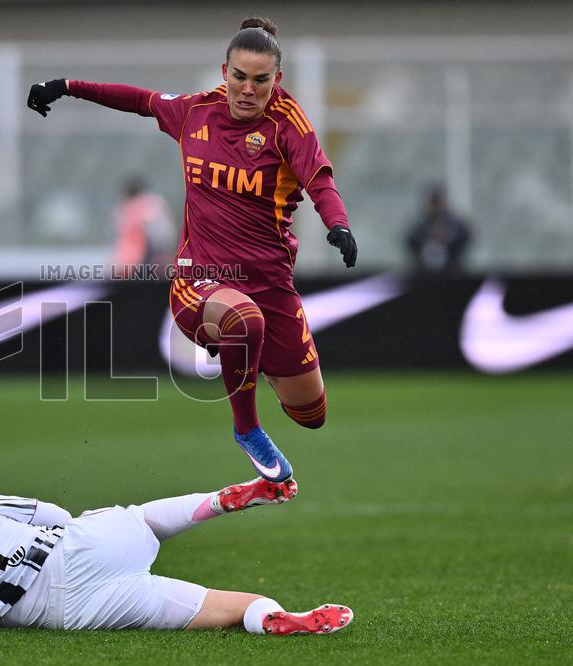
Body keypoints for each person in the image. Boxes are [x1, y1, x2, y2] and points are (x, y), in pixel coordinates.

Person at [27, 17, 357, 484]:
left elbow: (319, 181)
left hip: (270, 284)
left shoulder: (288, 124)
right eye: (239, 77)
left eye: (260, 80)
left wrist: (338, 223)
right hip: (199, 279)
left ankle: (248, 354)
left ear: (276, 81)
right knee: (244, 320)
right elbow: (138, 100)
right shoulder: (195, 112)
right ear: (224, 71)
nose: (247, 89)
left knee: (312, 414)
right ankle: (247, 428)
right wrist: (66, 86)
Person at [0, 476, 354, 634]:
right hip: (70, 553)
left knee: (218, 606)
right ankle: (221, 501)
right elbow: (47, 512)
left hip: (69, 614)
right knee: (141, 519)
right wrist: (82, 529)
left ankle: (269, 618)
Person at [110, 177, 176, 279]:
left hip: (143, 261)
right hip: (136, 263)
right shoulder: (128, 208)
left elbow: (161, 236)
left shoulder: (147, 206)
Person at [405, 184, 471, 273]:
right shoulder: (420, 223)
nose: (436, 206)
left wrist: (448, 238)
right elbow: (410, 240)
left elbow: (465, 237)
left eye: (438, 202)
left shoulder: (453, 222)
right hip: (423, 273)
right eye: (433, 202)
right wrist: (427, 237)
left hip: (451, 271)